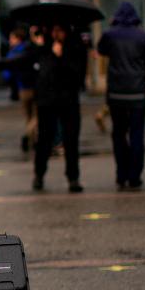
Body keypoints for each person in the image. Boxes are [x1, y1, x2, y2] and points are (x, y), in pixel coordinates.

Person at [97, 2, 145, 190]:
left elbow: (100, 50)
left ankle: (121, 173)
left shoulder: (110, 35)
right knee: (137, 134)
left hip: (116, 93)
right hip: (137, 93)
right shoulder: (144, 36)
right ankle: (135, 175)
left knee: (118, 133)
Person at [33, 23, 87, 193]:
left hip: (68, 101)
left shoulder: (76, 48)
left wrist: (61, 57)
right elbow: (31, 66)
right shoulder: (44, 49)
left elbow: (78, 76)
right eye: (54, 30)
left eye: (60, 30)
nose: (56, 34)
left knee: (71, 141)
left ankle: (73, 177)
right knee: (44, 140)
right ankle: (39, 174)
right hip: (47, 102)